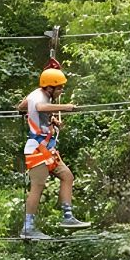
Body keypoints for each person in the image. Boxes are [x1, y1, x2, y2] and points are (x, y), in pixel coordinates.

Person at [17, 66, 91, 240]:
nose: (61, 91)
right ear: (49, 87)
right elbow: (40, 106)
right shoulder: (38, 96)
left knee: (67, 176)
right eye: (59, 88)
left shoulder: (37, 95)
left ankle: (67, 217)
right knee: (37, 187)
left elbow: (23, 107)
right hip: (36, 150)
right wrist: (66, 107)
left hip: (48, 151)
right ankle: (28, 228)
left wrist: (51, 120)